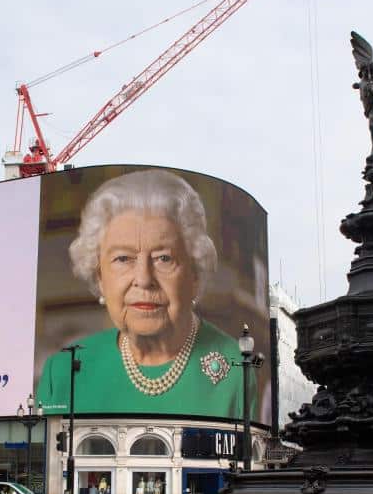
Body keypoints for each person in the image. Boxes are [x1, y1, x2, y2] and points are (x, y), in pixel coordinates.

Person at [37, 169, 245, 417]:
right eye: (123, 258)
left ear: (194, 275)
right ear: (99, 277)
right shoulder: (62, 371)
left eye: (163, 258)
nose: (144, 280)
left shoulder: (237, 368)